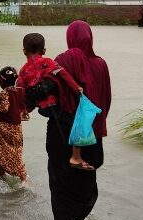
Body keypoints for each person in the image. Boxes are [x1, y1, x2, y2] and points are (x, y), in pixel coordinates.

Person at [49, 20, 112, 220]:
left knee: (60, 184)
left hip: (61, 133)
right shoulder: (101, 64)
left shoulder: (62, 60)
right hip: (91, 134)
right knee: (85, 184)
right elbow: (105, 99)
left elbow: (49, 96)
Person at [16, 33, 90, 171]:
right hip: (56, 106)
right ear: (44, 50)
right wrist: (76, 88)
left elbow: (21, 91)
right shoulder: (47, 62)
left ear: (24, 51)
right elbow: (63, 74)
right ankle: (76, 156)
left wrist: (24, 110)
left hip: (43, 109)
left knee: (57, 134)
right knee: (75, 123)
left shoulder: (23, 71)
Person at [0, 66, 28, 184]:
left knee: (1, 152)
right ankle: (23, 179)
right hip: (17, 129)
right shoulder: (20, 91)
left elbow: (3, 108)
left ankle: (2, 178)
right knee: (16, 152)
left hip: (5, 129)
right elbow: (24, 108)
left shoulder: (5, 92)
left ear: (2, 81)